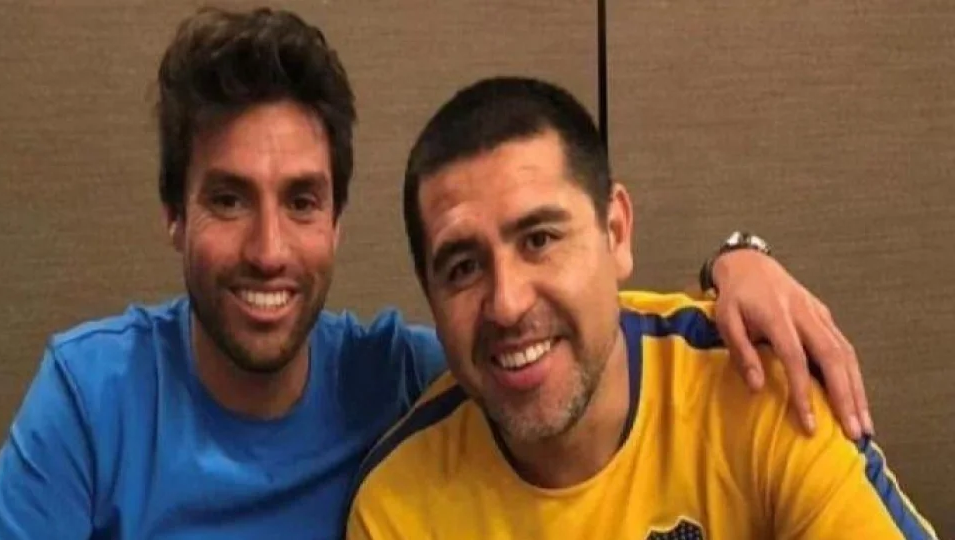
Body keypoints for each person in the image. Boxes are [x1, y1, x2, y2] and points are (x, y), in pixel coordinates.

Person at [0, 7, 874, 539]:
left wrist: (736, 263)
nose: (268, 250)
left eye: (302, 200)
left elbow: (572, 331)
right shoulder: (91, 398)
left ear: (336, 220)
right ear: (173, 214)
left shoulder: (408, 376)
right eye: (228, 200)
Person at [345, 76, 937, 539]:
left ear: (616, 231)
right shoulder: (398, 507)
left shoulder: (758, 386)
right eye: (463, 268)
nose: (507, 303)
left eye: (540, 240)